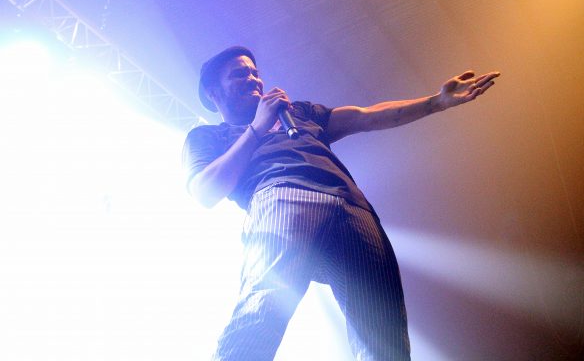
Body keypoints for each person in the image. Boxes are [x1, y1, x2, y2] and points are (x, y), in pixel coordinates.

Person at [182, 46, 500, 360]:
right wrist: (257, 128)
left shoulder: (299, 113)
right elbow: (206, 191)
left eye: (255, 72)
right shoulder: (209, 136)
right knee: (265, 303)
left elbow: (364, 116)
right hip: (282, 196)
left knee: (382, 329)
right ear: (213, 93)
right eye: (240, 74)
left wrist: (436, 102)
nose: (254, 79)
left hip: (352, 206)